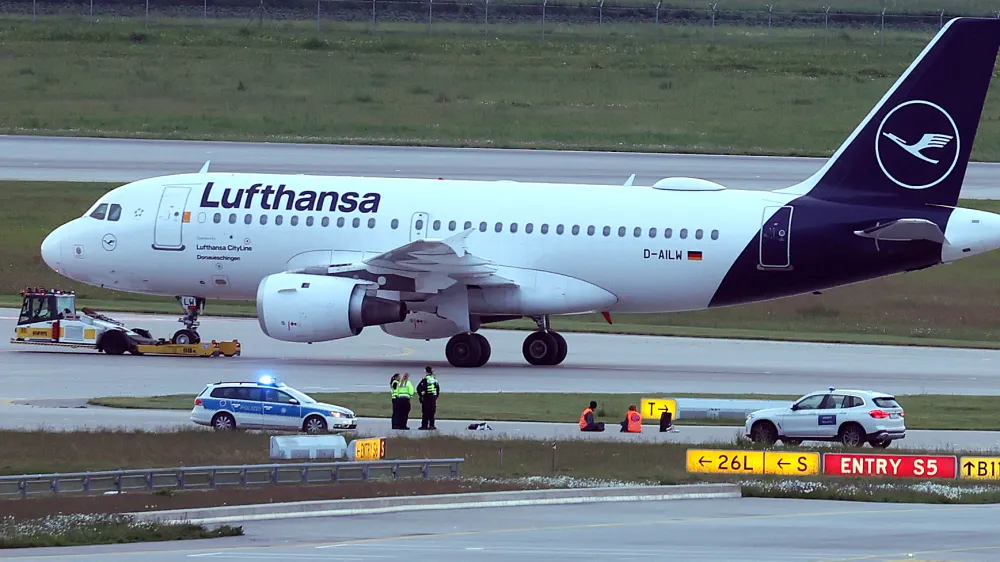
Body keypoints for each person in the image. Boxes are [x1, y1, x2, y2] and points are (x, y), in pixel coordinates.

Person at [416, 365, 440, 430]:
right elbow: (437, 388)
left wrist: (421, 396)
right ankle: (432, 425)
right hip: (433, 397)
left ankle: (424, 425)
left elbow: (418, 388)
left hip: (427, 397)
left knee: (425, 411)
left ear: (425, 371)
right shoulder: (434, 379)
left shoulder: (425, 379)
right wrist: (436, 396)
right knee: (432, 412)